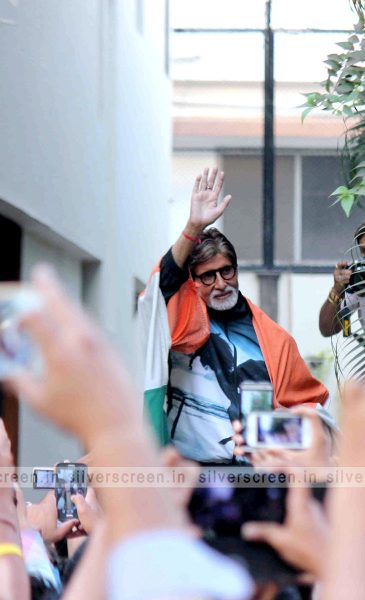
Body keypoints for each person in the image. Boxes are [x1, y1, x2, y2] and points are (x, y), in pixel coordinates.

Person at [139, 167, 328, 464]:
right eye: (207, 276)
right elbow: (160, 289)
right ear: (193, 281)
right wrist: (192, 228)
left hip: (260, 481)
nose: (220, 283)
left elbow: (311, 415)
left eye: (226, 271)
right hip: (189, 481)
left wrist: (269, 436)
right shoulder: (182, 325)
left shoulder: (275, 340)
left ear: (236, 270)